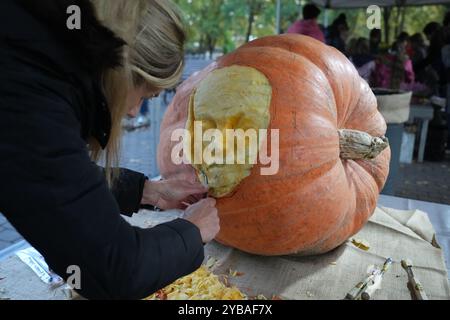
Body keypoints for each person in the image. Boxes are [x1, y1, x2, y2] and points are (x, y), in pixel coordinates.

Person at [0, 0, 220, 300]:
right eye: (145, 95)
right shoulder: (29, 86)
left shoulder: (39, 50)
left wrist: (147, 191)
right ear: (124, 72)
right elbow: (114, 267)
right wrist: (192, 231)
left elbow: (56, 172)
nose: (133, 112)